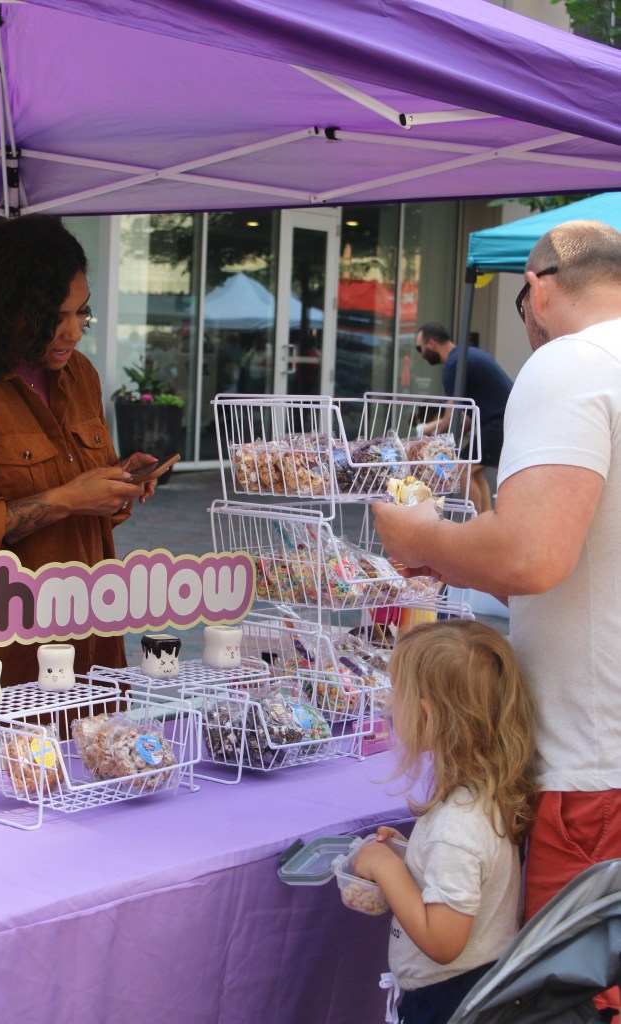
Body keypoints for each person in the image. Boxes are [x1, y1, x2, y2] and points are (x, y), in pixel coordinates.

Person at [374, 219, 621, 1022]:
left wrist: (419, 538)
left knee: (567, 1004)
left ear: (538, 290)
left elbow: (531, 557)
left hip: (593, 773)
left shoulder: (571, 362)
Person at [0, 215, 167, 711]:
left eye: (82, 313)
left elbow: (89, 503)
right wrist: (65, 500)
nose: (73, 332)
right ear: (4, 309)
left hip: (91, 650)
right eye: (54, 317)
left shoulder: (81, 374)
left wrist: (117, 483)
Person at [353, 619, 535, 1024]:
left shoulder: (456, 826)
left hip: (449, 1001)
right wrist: (411, 856)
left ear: (426, 714)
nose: (389, 703)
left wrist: (386, 869)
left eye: (397, 692)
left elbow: (443, 941)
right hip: (474, 989)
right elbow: (466, 877)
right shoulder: (481, 795)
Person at [415, 322, 512, 513]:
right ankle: (485, 518)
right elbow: (466, 415)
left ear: (432, 343)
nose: (421, 354)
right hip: (502, 419)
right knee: (472, 471)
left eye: (420, 348)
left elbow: (452, 413)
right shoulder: (465, 355)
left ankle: (480, 521)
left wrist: (431, 441)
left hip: (497, 422)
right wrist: (451, 433)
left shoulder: (454, 365)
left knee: (461, 470)